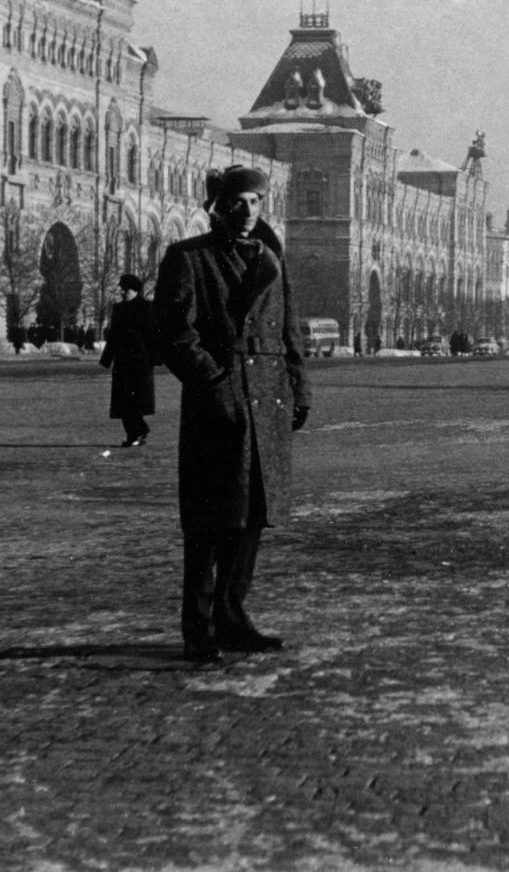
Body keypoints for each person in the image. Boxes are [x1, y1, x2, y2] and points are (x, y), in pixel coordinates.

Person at [154, 165, 311, 664]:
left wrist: (299, 387)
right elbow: (175, 334)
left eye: (257, 203)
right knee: (208, 522)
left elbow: (290, 333)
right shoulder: (188, 258)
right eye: (238, 202)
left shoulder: (272, 259)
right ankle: (197, 626)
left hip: (267, 401)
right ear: (217, 206)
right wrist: (215, 385)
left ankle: (232, 616)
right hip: (217, 407)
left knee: (253, 517)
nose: (248, 212)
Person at [99, 273, 158, 447]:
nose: (123, 292)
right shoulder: (119, 309)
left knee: (135, 400)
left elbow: (153, 335)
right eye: (122, 289)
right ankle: (138, 431)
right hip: (123, 360)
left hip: (140, 361)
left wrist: (154, 358)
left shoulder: (147, 308)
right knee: (123, 400)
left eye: (126, 290)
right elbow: (114, 336)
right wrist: (107, 358)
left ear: (135, 291)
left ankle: (136, 434)